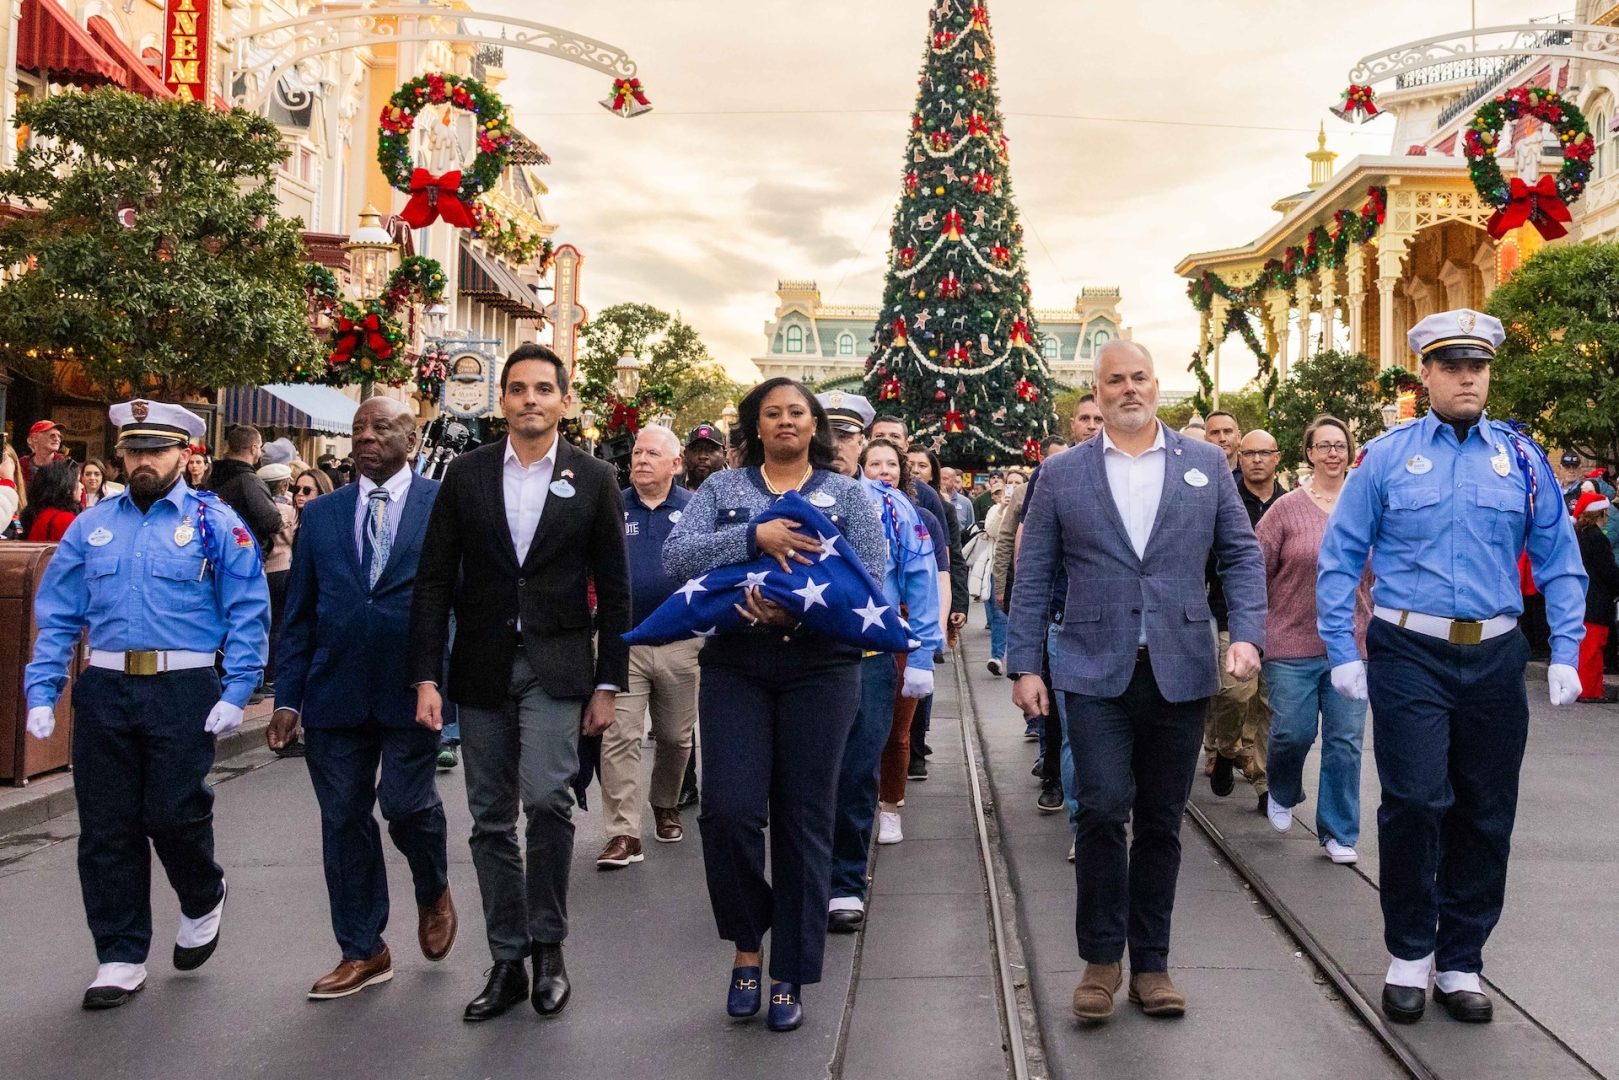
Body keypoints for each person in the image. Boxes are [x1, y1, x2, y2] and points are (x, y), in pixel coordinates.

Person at [1317, 308, 1587, 1026]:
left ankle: (1460, 958)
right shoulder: (1385, 457)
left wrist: (1563, 650)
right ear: (1427, 374)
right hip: (1409, 648)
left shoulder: (1522, 459)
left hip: (1495, 653)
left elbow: (1560, 560)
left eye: (1478, 366)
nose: (1467, 377)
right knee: (1411, 801)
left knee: (1485, 810)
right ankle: (1409, 951)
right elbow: (1340, 556)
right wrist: (1341, 651)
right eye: (1451, 365)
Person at [1008, 340, 1265, 1023]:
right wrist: (1025, 662)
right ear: (1095, 390)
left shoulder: (1206, 463)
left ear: (1157, 384)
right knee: (1097, 809)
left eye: (1138, 378)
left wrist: (1245, 632)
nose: (1128, 389)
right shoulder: (1061, 474)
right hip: (1092, 668)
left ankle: (1151, 963)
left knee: (1160, 821)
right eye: (1114, 380)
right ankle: (1099, 959)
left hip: (1178, 668)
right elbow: (1032, 574)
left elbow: (1238, 553)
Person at [409, 343, 630, 1023]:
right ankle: (506, 958)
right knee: (487, 819)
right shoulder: (468, 475)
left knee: (545, 800)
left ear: (565, 400)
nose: (529, 399)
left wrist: (608, 683)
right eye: (517, 389)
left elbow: (616, 589)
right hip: (479, 666)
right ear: (501, 401)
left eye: (542, 389)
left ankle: (549, 948)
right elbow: (435, 581)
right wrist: (425, 675)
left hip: (557, 665)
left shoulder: (593, 478)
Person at [25, 399, 269, 1009]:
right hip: (106, 686)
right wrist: (43, 688)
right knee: (106, 828)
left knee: (172, 814)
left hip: (182, 687)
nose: (143, 461)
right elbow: (57, 614)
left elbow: (246, 607)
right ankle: (119, 955)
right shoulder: (92, 525)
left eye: (156, 450)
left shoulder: (216, 523)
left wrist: (240, 687)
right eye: (134, 450)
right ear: (121, 456)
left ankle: (202, 893)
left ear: (184, 455)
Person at [663, 377, 885, 1032]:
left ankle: (789, 969)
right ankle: (746, 943)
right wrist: (751, 540)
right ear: (754, 427)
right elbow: (676, 558)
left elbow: (869, 579)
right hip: (736, 665)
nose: (785, 421)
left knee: (802, 819)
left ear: (814, 424)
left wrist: (795, 616)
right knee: (728, 812)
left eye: (797, 412)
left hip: (820, 669)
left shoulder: (847, 494)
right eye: (772, 413)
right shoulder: (723, 491)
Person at [269, 397, 455, 1000]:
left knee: (405, 805)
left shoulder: (441, 505)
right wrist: (287, 698)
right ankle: (363, 948)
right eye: (359, 429)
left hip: (415, 687)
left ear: (413, 436)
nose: (368, 437)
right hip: (334, 690)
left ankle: (432, 887)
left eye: (382, 427)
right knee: (343, 818)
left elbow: (462, 604)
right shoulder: (321, 514)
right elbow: (298, 614)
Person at [825, 416, 943, 935]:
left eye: (854, 439)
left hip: (871, 653)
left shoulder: (902, 512)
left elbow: (921, 584)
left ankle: (846, 880)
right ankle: (806, 871)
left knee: (857, 766)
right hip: (809, 653)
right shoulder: (815, 498)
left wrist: (920, 656)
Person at [1254, 417, 1370, 863]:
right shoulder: (1285, 509)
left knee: (1345, 741)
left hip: (1352, 645)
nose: (1333, 454)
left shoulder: (1365, 505)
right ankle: (1281, 788)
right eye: (1323, 446)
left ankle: (1339, 832)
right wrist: (1252, 632)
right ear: (1309, 453)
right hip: (1290, 643)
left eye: (1340, 445)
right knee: (1292, 732)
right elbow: (1254, 569)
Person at [599, 424, 699, 868]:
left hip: (680, 642)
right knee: (619, 737)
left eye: (652, 454)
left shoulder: (695, 509)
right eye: (638, 453)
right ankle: (623, 833)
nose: (641, 460)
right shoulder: (612, 506)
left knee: (677, 739)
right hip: (623, 640)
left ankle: (665, 803)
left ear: (675, 464)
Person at [1206, 429, 1287, 811]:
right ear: (1238, 457)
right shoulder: (1224, 500)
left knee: (1271, 705)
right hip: (1229, 616)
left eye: (1263, 453)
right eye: (1248, 453)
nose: (1256, 459)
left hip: (1283, 621)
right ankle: (1225, 749)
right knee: (1235, 694)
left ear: (1277, 458)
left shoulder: (1291, 504)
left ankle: (1265, 784)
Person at [1570, 491, 1619, 702]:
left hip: (1580, 597)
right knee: (1593, 649)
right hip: (1596, 600)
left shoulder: (1578, 535)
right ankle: (1589, 690)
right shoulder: (1597, 539)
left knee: (1584, 648)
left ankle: (1587, 687)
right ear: (1600, 513)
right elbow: (1608, 571)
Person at [256, 462, 298, 703]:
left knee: (266, 623)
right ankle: (273, 674)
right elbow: (291, 538)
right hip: (283, 567)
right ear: (283, 483)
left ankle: (263, 672)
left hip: (265, 569)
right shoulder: (288, 509)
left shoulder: (262, 507)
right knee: (279, 625)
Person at [210, 424, 285, 554]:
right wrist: (281, 520)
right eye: (260, 447)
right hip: (245, 553)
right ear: (254, 448)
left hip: (216, 548)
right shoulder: (249, 481)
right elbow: (271, 521)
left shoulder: (211, 475)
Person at [981, 467, 1026, 674]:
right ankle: (997, 656)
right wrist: (1002, 509)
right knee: (1000, 615)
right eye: (1011, 483)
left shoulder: (1033, 500)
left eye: (1018, 483)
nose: (1014, 488)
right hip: (1000, 567)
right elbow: (992, 531)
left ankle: (1019, 659)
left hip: (1022, 568)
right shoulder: (996, 509)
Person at [22, 460, 82, 542]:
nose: (82, 486)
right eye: (78, 481)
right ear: (66, 486)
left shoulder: (41, 514)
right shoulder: (65, 519)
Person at [20, 418, 66, 486]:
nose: (57, 439)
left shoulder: (66, 465)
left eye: (59, 436)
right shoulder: (21, 465)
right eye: (52, 435)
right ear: (34, 438)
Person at [683, 423, 728, 491]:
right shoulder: (670, 485)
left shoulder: (739, 486)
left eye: (711, 450)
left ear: (724, 455)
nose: (702, 456)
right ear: (685, 454)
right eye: (696, 449)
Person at [940, 466, 974, 532]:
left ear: (953, 481)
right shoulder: (931, 499)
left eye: (945, 479)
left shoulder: (966, 502)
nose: (941, 482)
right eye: (939, 478)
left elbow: (970, 530)